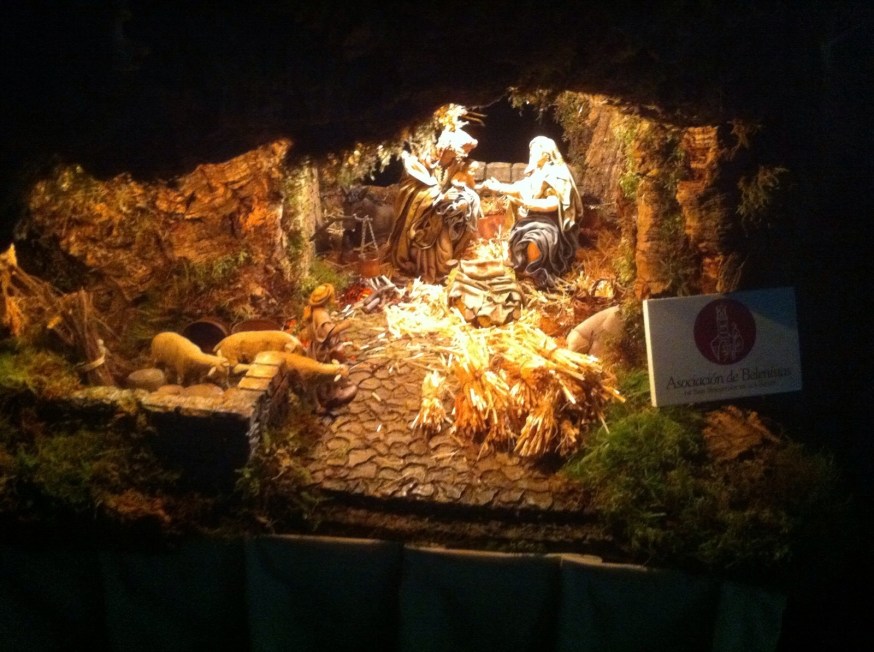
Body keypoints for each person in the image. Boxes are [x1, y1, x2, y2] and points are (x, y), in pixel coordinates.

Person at [479, 136, 582, 288]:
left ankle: (536, 273)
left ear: (546, 155)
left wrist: (528, 204)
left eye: (534, 152)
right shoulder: (538, 172)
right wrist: (499, 187)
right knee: (519, 232)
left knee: (538, 239)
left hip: (552, 221)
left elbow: (554, 203)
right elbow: (520, 187)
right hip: (534, 217)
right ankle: (522, 266)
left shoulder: (558, 175)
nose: (531, 155)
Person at [387, 120, 483, 283]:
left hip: (442, 213)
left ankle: (444, 269)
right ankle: (431, 272)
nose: (466, 155)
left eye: (468, 151)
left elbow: (462, 186)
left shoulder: (456, 163)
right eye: (464, 149)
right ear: (450, 146)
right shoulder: (423, 161)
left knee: (452, 236)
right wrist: (440, 197)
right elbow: (410, 190)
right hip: (422, 217)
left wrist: (465, 199)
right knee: (443, 254)